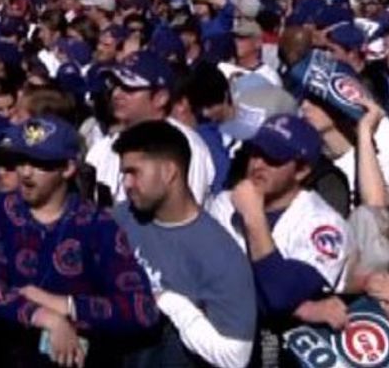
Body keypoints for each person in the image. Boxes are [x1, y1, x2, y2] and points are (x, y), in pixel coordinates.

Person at [0, 115, 159, 367]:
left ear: (67, 168)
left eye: (38, 163)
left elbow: (141, 310)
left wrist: (67, 306)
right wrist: (47, 318)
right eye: (20, 160)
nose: (25, 172)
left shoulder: (97, 226)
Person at [205, 115, 352, 364]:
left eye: (273, 158)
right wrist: (302, 309)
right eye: (255, 153)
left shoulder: (323, 224)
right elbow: (207, 285)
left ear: (302, 170)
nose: (257, 164)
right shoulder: (225, 204)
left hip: (277, 346)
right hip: (212, 336)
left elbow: (278, 297)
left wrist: (254, 218)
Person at [111, 120, 257, 368]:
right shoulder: (119, 219)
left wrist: (170, 304)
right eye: (124, 173)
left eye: (134, 172)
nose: (126, 184)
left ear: (169, 172)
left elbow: (235, 356)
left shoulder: (221, 256)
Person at [84, 51, 215, 205]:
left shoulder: (187, 147)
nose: (116, 94)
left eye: (129, 87)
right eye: (115, 85)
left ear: (161, 97)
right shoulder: (102, 149)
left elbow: (184, 221)